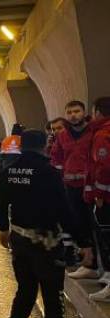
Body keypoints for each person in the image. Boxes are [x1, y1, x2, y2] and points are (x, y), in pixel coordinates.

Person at [0, 129, 93, 318]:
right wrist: (83, 242)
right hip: (45, 244)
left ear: (22, 146)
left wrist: (3, 228)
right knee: (52, 298)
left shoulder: (10, 171)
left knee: (26, 291)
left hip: (19, 241)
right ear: (45, 146)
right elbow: (64, 210)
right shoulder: (49, 173)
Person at [52, 101, 98, 280]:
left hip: (92, 186)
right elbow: (56, 157)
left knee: (97, 225)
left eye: (77, 111)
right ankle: (89, 264)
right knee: (78, 223)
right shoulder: (62, 136)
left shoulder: (93, 131)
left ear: (84, 112)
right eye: (69, 112)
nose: (73, 115)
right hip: (71, 187)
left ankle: (100, 265)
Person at [84, 97, 110, 301]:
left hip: (106, 197)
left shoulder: (102, 134)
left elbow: (103, 167)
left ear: (99, 113)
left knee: (106, 236)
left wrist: (99, 194)